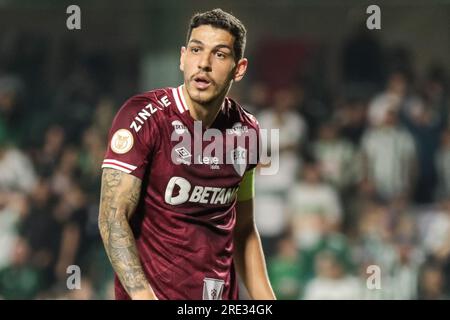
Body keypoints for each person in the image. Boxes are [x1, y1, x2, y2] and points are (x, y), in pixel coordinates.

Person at [98, 8, 275, 300]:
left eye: (219, 54)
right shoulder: (143, 117)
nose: (203, 64)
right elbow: (112, 218)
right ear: (183, 58)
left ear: (239, 68)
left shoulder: (248, 131)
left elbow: (243, 229)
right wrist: (144, 297)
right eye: (196, 50)